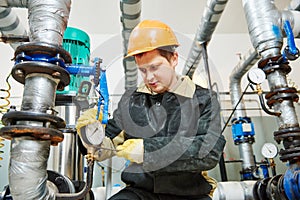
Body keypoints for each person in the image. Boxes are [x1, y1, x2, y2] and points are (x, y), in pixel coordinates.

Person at [76, 19, 226, 200]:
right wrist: (89, 134)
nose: (149, 77)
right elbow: (106, 143)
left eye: (155, 67)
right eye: (143, 70)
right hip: (140, 193)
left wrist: (148, 150)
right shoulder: (132, 101)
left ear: (174, 59)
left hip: (190, 194)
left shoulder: (204, 99)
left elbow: (209, 151)